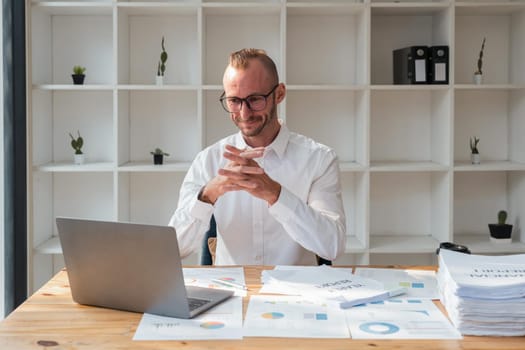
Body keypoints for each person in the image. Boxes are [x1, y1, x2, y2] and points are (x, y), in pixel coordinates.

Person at [169, 48, 346, 265]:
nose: (244, 113)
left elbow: (332, 246)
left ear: (279, 94)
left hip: (297, 294)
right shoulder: (209, 160)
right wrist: (209, 194)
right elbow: (174, 248)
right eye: (234, 101)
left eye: (255, 99)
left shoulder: (319, 159)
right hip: (231, 292)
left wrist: (275, 194)